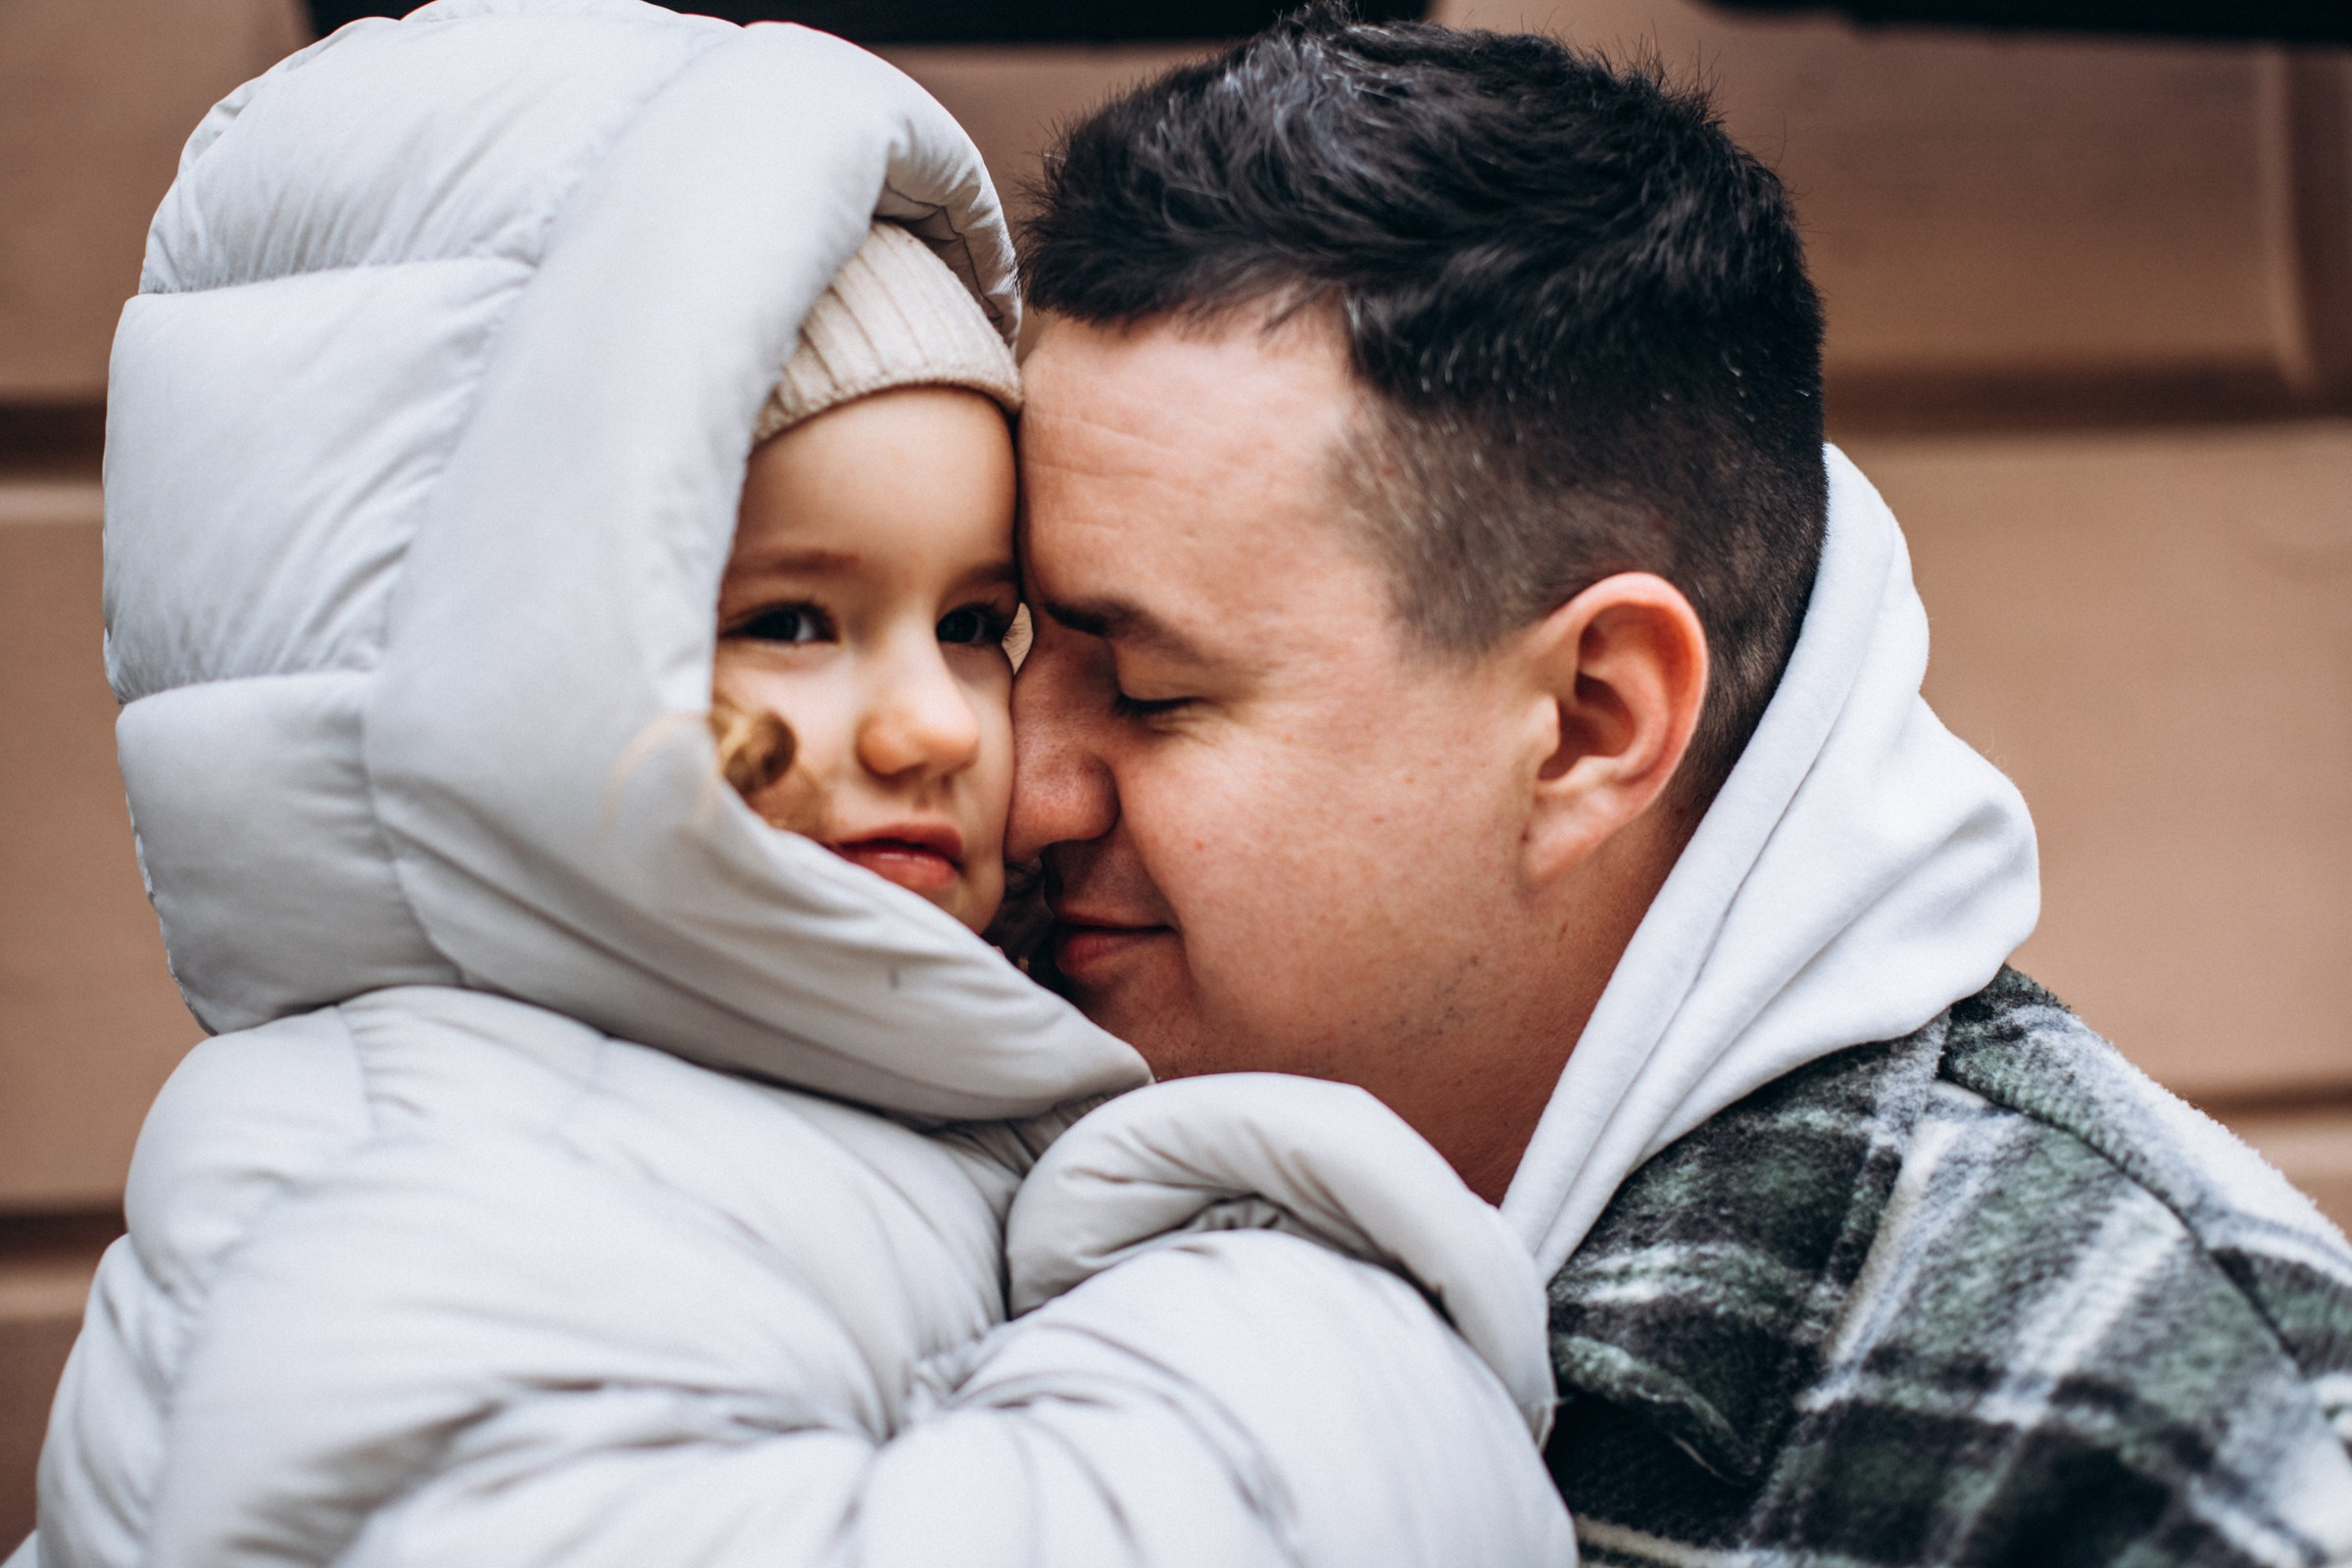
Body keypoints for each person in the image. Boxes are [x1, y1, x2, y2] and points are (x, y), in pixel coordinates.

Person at [16, 5, 1578, 1565]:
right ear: (500, 661)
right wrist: (1293, 1294)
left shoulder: (805, 1090)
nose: (936, 729)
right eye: (788, 624)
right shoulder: (417, 1168)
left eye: (971, 624)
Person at [1006, 10, 2352, 1564]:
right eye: (1002, 638)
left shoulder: (2153, 1443)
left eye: (1151, 690)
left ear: (1590, 723)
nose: (1024, 787)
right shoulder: (971, 1162)